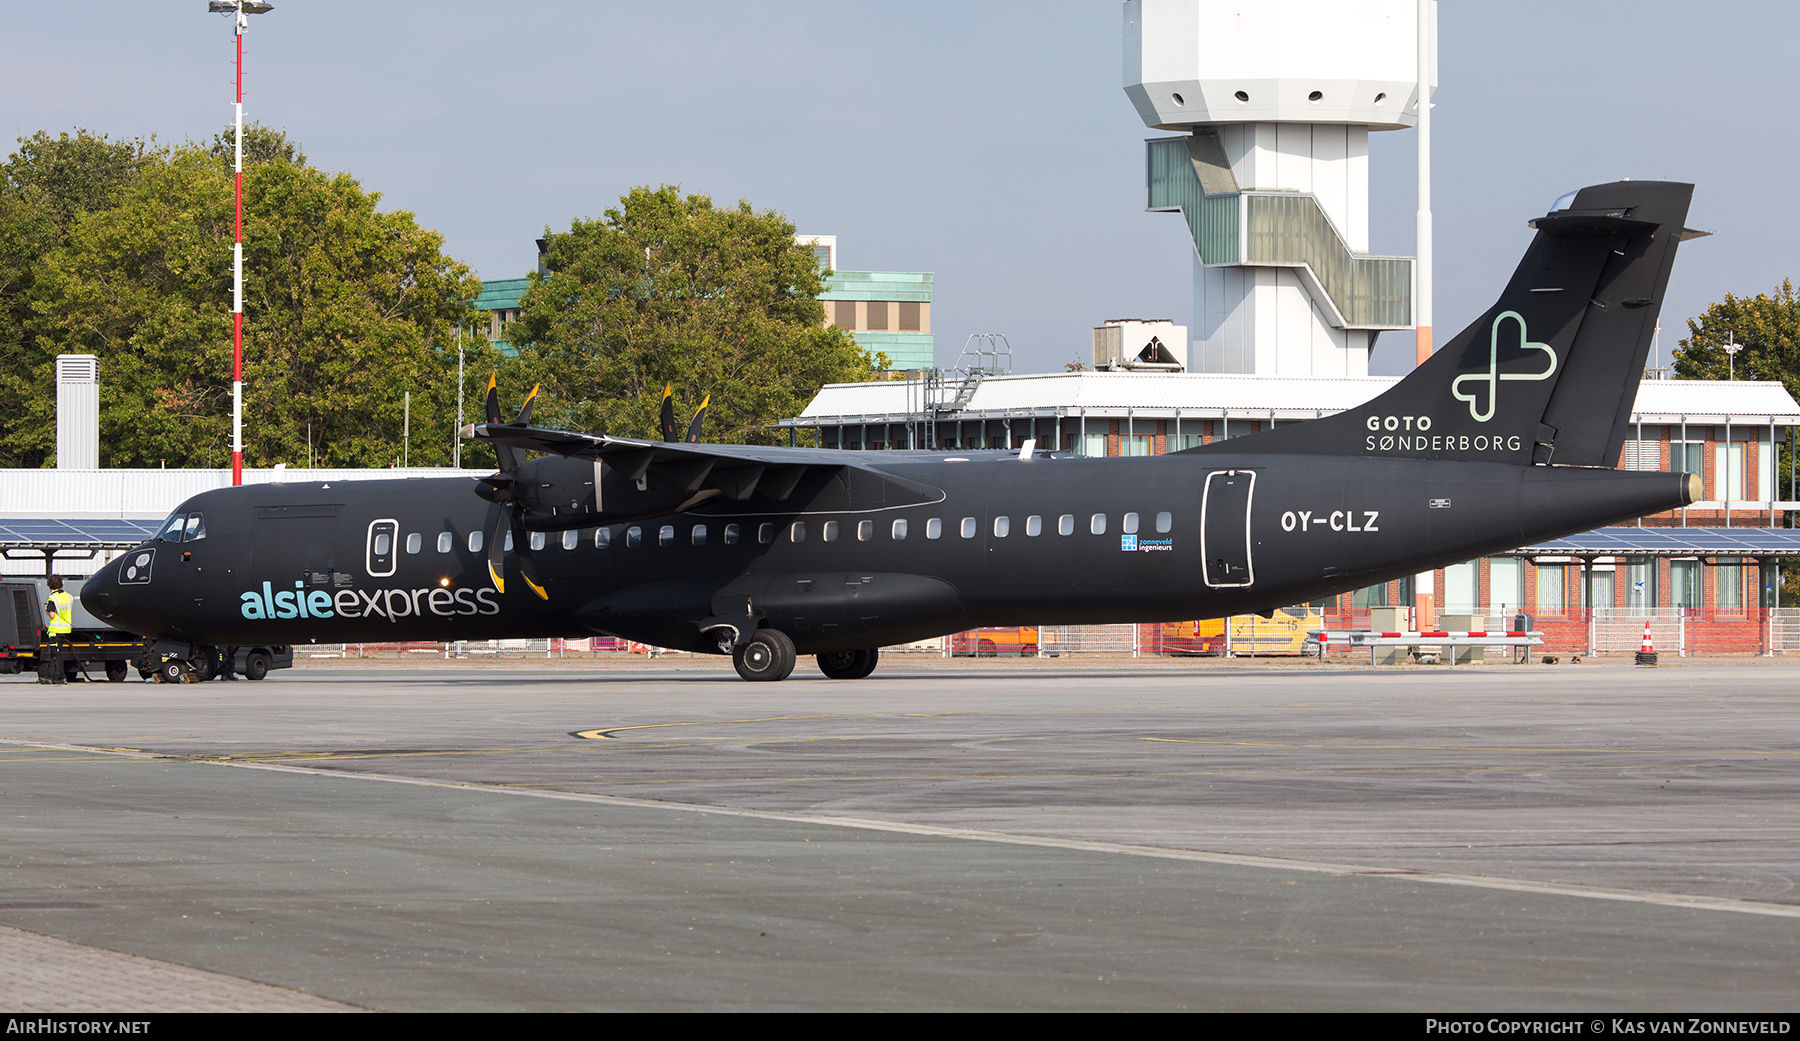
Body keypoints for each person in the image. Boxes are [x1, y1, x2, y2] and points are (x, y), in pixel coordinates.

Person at [41, 575, 72, 685]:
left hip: (55, 630)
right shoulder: (68, 597)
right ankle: (50, 676)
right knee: (55, 653)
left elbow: (52, 615)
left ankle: (61, 677)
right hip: (65, 630)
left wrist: (46, 609)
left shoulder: (52, 598)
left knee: (56, 654)